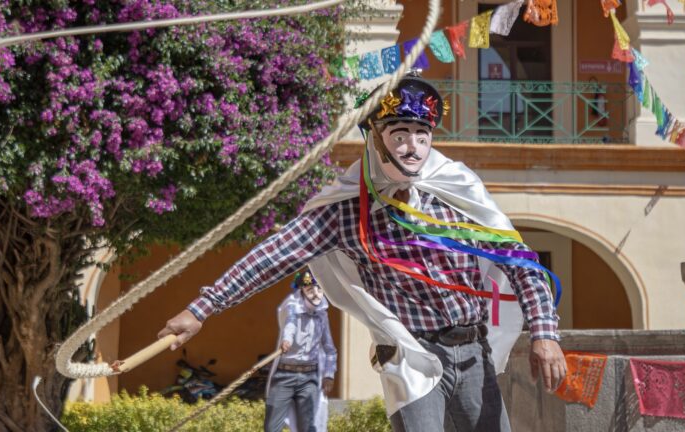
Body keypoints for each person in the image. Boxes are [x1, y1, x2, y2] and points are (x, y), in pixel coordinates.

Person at [158, 70, 567, 431]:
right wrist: (201, 309)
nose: (412, 147)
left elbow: (521, 262)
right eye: (400, 134)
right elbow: (272, 255)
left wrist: (544, 334)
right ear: (376, 139)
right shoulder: (345, 209)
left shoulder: (458, 191)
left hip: (474, 352)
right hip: (412, 355)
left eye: (422, 135)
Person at [264, 270, 337, 432]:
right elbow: (289, 324)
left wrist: (329, 374)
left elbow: (330, 349)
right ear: (301, 291)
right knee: (272, 427)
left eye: (319, 289)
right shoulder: (292, 308)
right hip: (284, 375)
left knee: (308, 427)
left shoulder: (322, 316)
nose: (315, 294)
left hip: (309, 377)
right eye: (310, 290)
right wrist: (287, 340)